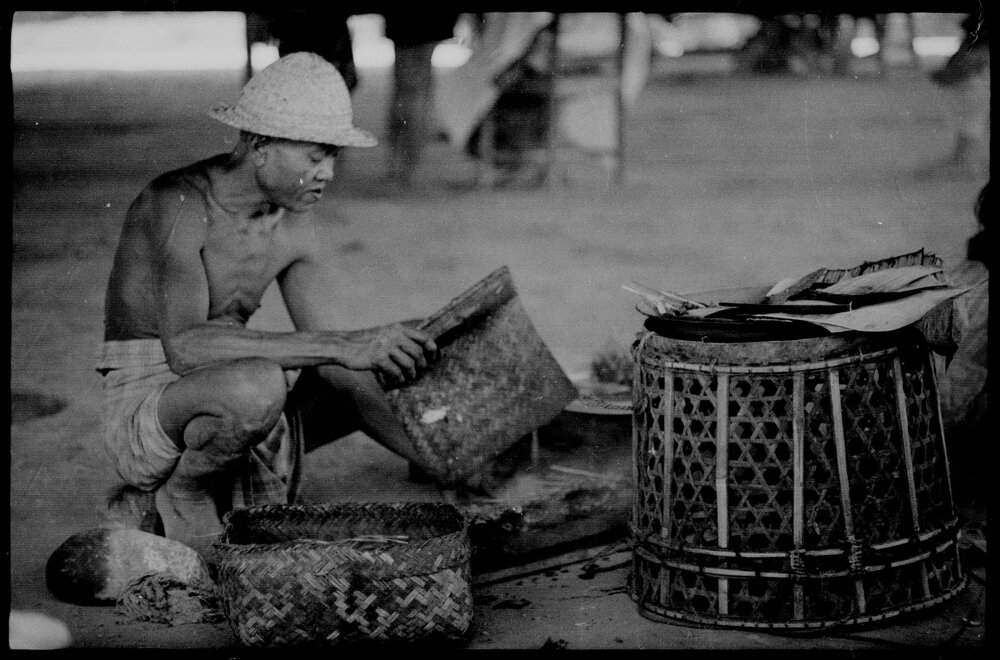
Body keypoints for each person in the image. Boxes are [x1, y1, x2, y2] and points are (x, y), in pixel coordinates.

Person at [97, 52, 438, 558]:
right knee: (262, 381)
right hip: (153, 404)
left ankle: (447, 461)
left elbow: (340, 364)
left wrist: (447, 464)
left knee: (404, 341)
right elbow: (185, 350)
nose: (328, 173)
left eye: (334, 157)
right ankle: (185, 488)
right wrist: (346, 345)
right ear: (259, 146)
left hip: (233, 401)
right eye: (316, 155)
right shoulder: (179, 203)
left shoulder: (295, 222)